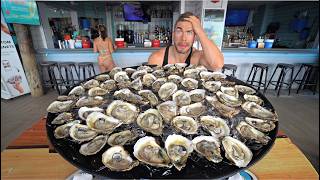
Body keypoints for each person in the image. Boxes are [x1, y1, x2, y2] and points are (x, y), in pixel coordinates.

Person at [148, 12, 224, 71]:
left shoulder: (198, 57)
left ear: (195, 37)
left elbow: (217, 65)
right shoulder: (157, 58)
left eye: (189, 32)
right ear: (173, 35)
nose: (183, 38)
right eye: (179, 31)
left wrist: (200, 31)